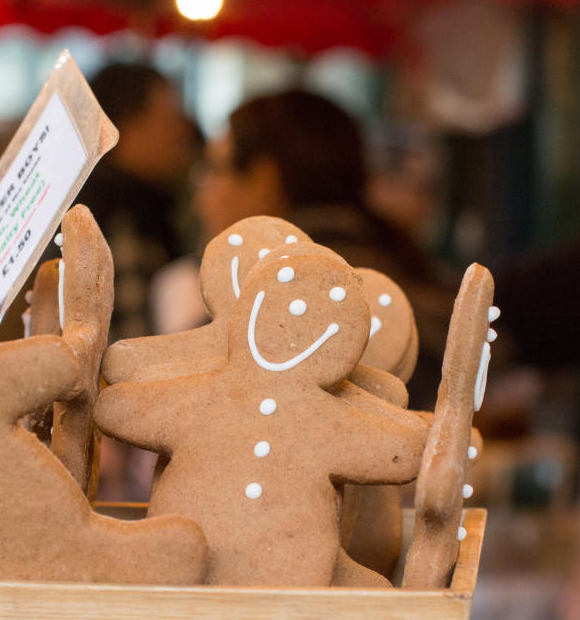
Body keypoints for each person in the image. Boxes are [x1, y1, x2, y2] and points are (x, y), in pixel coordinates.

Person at [187, 89, 451, 405]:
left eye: (215, 170)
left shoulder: (262, 297)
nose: (202, 198)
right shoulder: (400, 262)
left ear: (263, 178)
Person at [78, 62, 198, 341]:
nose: (183, 132)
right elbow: (132, 345)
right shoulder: (118, 221)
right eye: (171, 119)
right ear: (129, 125)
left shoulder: (142, 205)